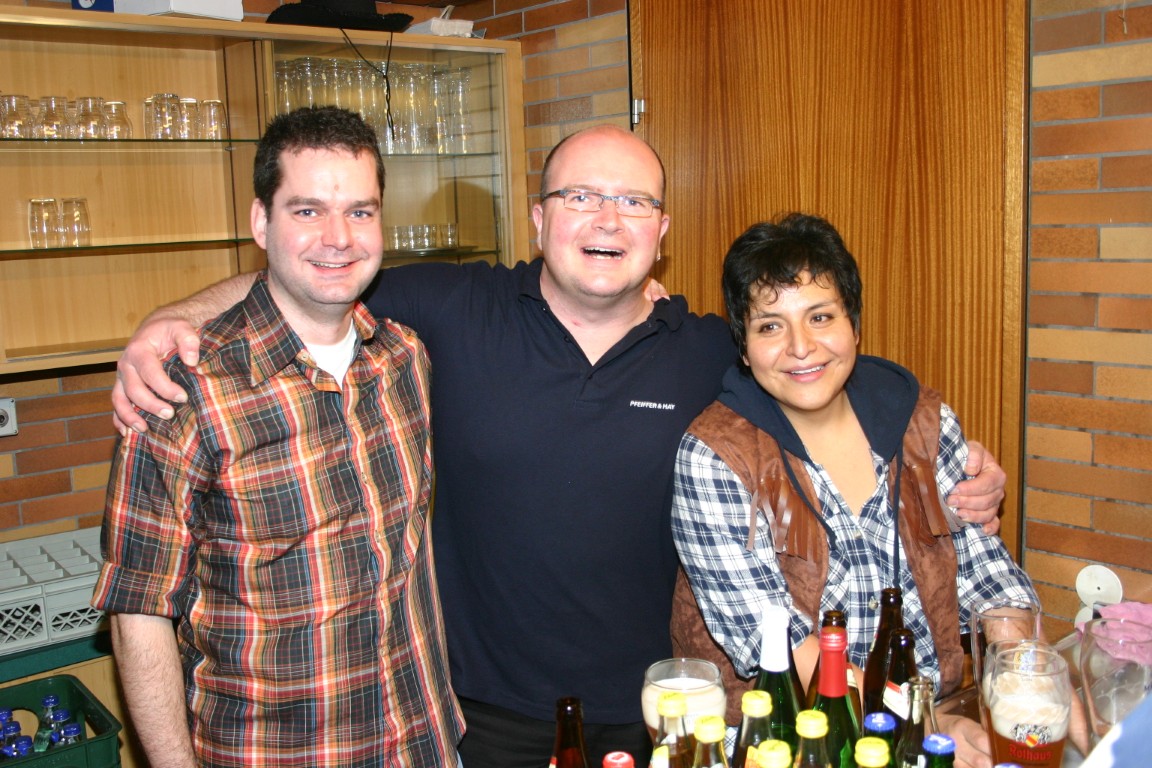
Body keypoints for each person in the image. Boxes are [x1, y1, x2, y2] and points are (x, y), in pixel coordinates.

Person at [109, 126, 1007, 767]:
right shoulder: (452, 311)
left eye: (633, 201)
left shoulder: (708, 348)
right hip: (474, 716)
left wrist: (957, 467)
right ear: (538, 219)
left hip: (664, 707)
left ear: (661, 233)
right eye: (580, 196)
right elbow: (316, 274)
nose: (606, 219)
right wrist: (169, 321)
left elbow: (831, 376)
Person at [91, 106, 461, 767]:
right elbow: (137, 614)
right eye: (307, 210)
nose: (338, 237)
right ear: (261, 222)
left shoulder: (404, 359)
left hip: (422, 743)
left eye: (360, 211)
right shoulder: (183, 393)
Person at [668, 212, 1084, 768]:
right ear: (743, 348)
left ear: (855, 325)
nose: (801, 347)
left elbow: (986, 575)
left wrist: (1024, 681)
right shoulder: (715, 455)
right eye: (770, 326)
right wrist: (920, 725)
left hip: (932, 718)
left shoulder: (923, 424)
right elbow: (779, 644)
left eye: (821, 316)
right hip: (790, 738)